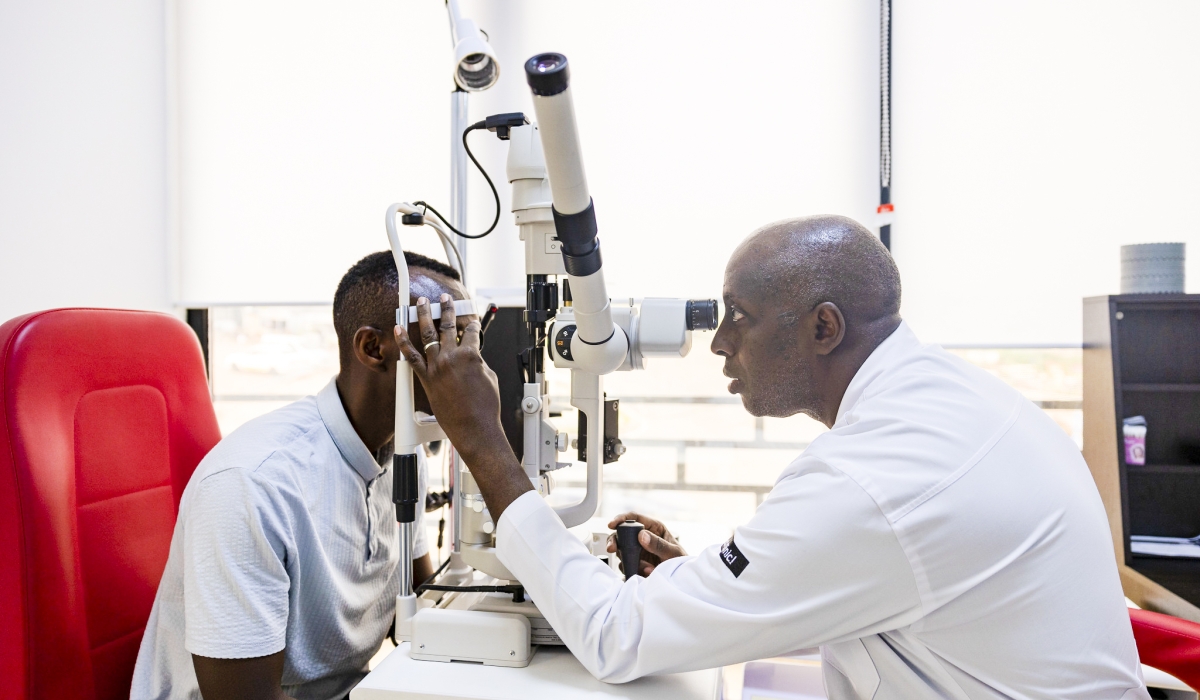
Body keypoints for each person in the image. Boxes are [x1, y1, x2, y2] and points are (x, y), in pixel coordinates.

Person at [396, 216, 1150, 699]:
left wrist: (482, 437)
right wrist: (724, 588)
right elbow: (903, 581)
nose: (720, 342)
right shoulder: (953, 403)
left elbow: (615, 639)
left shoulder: (874, 482)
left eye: (740, 318)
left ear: (824, 327)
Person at [132, 251, 472, 700]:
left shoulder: (401, 453)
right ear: (373, 349)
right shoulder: (252, 486)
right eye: (444, 338)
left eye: (470, 342)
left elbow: (423, 614)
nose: (469, 368)